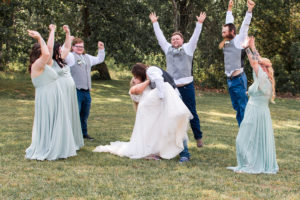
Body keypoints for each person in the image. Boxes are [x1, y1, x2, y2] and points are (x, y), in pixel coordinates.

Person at [93, 63, 193, 160]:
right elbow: (139, 90)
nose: (135, 80)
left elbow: (159, 82)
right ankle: (180, 153)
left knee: (174, 126)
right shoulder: (135, 88)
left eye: (136, 77)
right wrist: (148, 81)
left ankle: (182, 152)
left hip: (160, 108)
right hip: (150, 113)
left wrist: (154, 87)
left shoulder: (151, 77)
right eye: (134, 79)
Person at [149, 11, 206, 150]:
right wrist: (155, 23)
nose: (175, 41)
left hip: (187, 87)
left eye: (177, 39)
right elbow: (160, 38)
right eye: (173, 39)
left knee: (191, 112)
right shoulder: (167, 49)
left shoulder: (188, 48)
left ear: (182, 40)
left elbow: (195, 37)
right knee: (172, 113)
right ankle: (174, 141)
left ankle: (198, 137)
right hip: (172, 88)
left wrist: (199, 24)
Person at [227, 36, 279, 174]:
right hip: (256, 112)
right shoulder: (263, 77)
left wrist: (247, 49)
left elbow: (255, 63)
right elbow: (258, 61)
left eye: (261, 65)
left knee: (244, 140)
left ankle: (251, 165)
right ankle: (249, 163)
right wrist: (252, 46)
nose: (259, 65)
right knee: (251, 140)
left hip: (256, 113)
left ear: (265, 68)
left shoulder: (263, 79)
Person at [25, 25, 77, 160]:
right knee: (49, 121)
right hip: (46, 98)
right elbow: (47, 52)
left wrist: (52, 31)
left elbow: (48, 49)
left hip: (54, 97)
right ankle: (47, 147)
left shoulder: (46, 64)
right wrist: (39, 37)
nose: (46, 53)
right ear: (39, 54)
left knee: (56, 122)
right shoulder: (37, 65)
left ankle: (57, 147)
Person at [219, 0, 255, 126]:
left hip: (238, 80)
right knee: (236, 107)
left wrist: (249, 10)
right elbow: (229, 22)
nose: (222, 34)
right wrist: (229, 8)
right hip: (230, 80)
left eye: (224, 32)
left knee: (242, 107)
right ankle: (243, 129)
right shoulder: (226, 42)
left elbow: (245, 25)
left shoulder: (239, 39)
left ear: (232, 32)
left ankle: (246, 131)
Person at [65, 37, 105, 140]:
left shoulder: (87, 57)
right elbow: (63, 52)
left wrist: (101, 49)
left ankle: (84, 133)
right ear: (73, 47)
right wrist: (68, 40)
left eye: (81, 46)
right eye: (77, 46)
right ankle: (71, 134)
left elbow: (99, 59)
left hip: (87, 92)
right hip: (76, 90)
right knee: (75, 113)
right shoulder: (71, 57)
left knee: (85, 114)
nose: (80, 48)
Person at [50, 25, 84, 150]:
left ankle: (71, 140)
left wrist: (68, 33)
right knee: (62, 115)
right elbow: (63, 47)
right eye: (59, 49)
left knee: (70, 114)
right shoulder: (50, 61)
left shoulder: (62, 59)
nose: (61, 50)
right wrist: (52, 31)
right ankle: (61, 141)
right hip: (61, 91)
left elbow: (68, 46)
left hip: (70, 92)